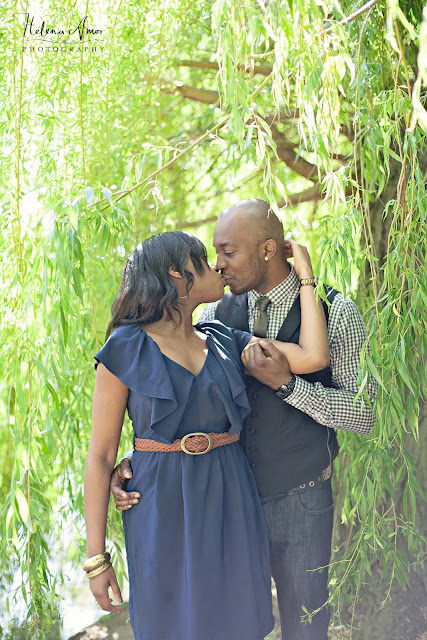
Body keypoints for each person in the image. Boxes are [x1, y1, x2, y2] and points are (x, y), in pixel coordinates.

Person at [111, 201, 378, 640]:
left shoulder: (336, 312)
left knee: (306, 626)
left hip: (301, 500)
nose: (218, 264)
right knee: (231, 623)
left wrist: (289, 386)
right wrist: (145, 454)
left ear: (268, 250)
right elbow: (189, 397)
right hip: (228, 502)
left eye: (228, 252)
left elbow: (364, 414)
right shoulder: (216, 317)